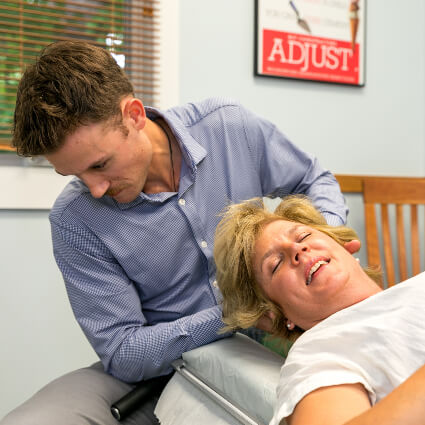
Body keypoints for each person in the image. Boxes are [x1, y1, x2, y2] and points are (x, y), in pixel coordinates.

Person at [2, 40, 348, 425]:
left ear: (133, 115)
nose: (95, 189)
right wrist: (232, 315)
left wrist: (326, 243)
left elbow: (312, 178)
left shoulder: (228, 127)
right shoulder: (75, 220)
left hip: (280, 342)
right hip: (163, 370)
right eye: (76, 176)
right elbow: (123, 353)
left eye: (100, 165)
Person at [214, 195, 425, 425]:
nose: (297, 248)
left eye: (304, 235)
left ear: (345, 245)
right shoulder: (321, 352)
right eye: (275, 264)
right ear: (274, 313)